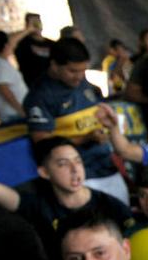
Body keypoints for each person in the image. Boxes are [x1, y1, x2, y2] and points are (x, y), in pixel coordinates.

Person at [0, 137, 133, 260]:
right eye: (63, 164)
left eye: (78, 161)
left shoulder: (111, 206)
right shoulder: (39, 204)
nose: (75, 169)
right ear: (44, 172)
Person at [23, 37, 129, 205]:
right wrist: (86, 138)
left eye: (83, 70)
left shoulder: (82, 82)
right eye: (72, 71)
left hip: (106, 165)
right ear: (54, 65)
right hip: (77, 177)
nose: (79, 77)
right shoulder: (40, 96)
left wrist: (104, 123)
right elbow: (42, 143)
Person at [0, 27, 32, 123]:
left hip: (14, 113)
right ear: (5, 46)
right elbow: (4, 89)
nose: (13, 45)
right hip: (13, 114)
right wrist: (20, 109)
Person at [14, 12, 53, 88]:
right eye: (33, 22)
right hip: (32, 86)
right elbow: (9, 42)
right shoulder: (23, 43)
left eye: (38, 21)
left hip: (52, 85)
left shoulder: (51, 44)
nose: (37, 24)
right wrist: (28, 30)